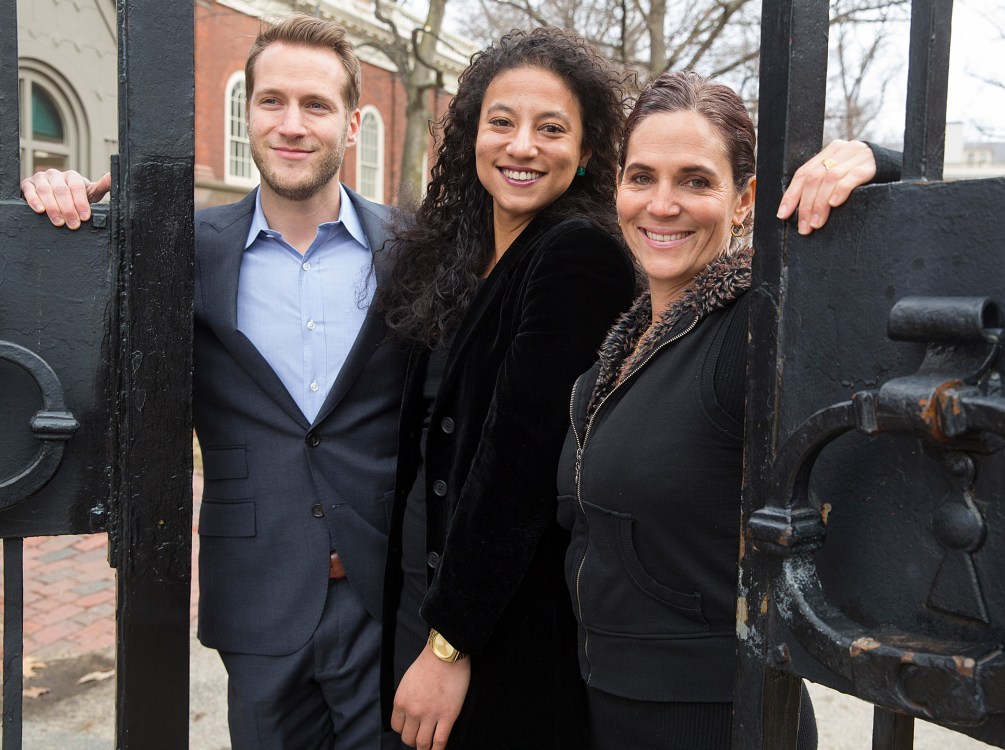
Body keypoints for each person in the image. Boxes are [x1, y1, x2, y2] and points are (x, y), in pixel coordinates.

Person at [21, 16, 411, 749]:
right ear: (248, 111)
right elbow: (70, 333)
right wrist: (55, 210)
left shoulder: (410, 247)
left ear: (352, 124)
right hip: (258, 592)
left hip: (387, 597)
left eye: (317, 105)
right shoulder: (184, 247)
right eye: (271, 102)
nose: (291, 125)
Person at [557, 70, 900, 750]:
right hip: (608, 702)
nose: (662, 204)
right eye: (642, 177)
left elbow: (898, 292)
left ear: (744, 199)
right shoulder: (620, 350)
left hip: (716, 715)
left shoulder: (756, 328)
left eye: (694, 180)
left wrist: (883, 164)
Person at [374, 27, 638, 750]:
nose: (522, 145)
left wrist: (449, 644)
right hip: (423, 591)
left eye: (551, 128)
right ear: (472, 135)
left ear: (586, 153)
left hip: (500, 630)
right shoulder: (463, 253)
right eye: (502, 122)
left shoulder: (578, 255)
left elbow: (519, 469)